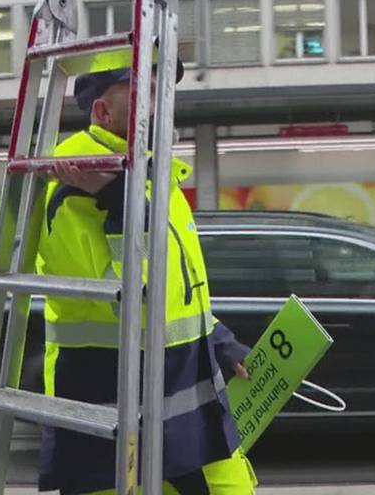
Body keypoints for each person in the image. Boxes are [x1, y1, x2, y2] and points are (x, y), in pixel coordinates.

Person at [36, 54, 257, 495]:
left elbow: (179, 286)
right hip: (112, 408)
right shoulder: (73, 186)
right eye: (147, 92)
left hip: (178, 396)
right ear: (103, 112)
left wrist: (216, 339)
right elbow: (128, 299)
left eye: (164, 90)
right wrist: (119, 199)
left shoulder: (150, 173)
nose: (163, 103)